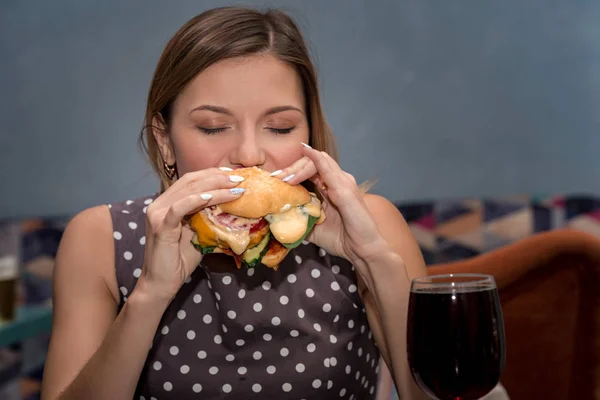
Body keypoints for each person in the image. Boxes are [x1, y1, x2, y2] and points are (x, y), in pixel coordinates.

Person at [40, 6, 430, 400]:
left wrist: (373, 260)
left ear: (308, 131)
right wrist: (150, 294)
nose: (248, 154)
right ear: (164, 139)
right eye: (213, 127)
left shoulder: (369, 224)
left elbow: (433, 393)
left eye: (280, 128)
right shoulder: (99, 239)